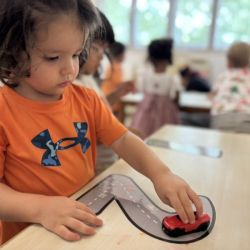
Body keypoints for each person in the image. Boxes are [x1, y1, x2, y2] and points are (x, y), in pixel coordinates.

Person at [0, 0, 203, 245]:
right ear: (11, 52)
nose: (70, 69)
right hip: (29, 235)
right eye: (53, 57)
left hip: (85, 222)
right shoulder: (4, 110)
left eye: (76, 54)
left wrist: (161, 174)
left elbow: (124, 139)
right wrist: (40, 208)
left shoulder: (87, 99)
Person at [74, 11, 144, 175]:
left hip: (108, 160)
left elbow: (100, 108)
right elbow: (82, 134)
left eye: (104, 50)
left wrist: (116, 94)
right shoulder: (73, 86)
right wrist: (122, 133)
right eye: (98, 49)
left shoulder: (88, 79)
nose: (101, 57)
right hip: (95, 164)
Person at [131, 39, 182, 137]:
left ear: (150, 58)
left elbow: (138, 90)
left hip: (144, 115)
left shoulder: (144, 76)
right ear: (169, 58)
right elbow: (176, 99)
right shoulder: (173, 78)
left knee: (142, 138)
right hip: (166, 117)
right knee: (165, 138)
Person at [210, 42, 250, 133]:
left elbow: (214, 93)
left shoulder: (222, 76)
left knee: (223, 145)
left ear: (228, 63)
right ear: (249, 63)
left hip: (221, 119)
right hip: (246, 120)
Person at [101, 42, 126, 115]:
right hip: (113, 102)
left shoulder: (111, 65)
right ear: (121, 55)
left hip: (107, 96)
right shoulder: (116, 66)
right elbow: (119, 83)